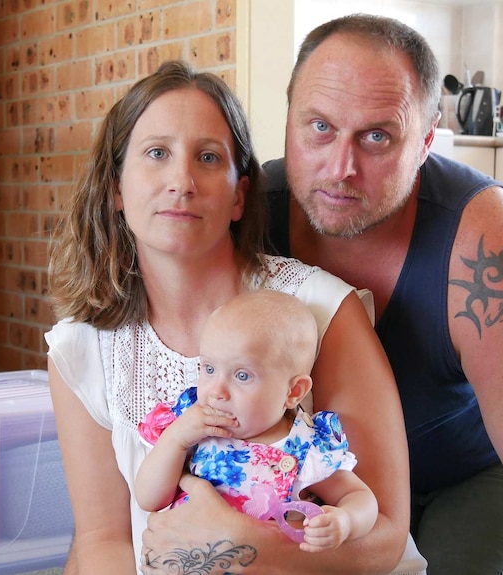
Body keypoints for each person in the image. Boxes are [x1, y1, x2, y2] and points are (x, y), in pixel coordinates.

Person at [257, 13, 503, 575]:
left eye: (377, 137)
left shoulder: (492, 248)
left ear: (424, 142)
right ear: (289, 117)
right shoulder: (251, 215)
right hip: (338, 461)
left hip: (486, 455)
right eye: (319, 127)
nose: (341, 168)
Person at [45, 59, 412, 575]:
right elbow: (104, 542)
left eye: (209, 158)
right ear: (115, 190)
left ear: (240, 195)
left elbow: (385, 539)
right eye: (156, 153)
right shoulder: (80, 348)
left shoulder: (322, 312)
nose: (182, 181)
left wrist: (242, 543)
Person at [134, 289, 378, 553]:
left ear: (293, 392)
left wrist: (346, 521)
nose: (217, 391)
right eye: (209, 368)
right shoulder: (190, 428)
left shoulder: (305, 450)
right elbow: (149, 498)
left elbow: (358, 497)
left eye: (242, 376)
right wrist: (175, 440)